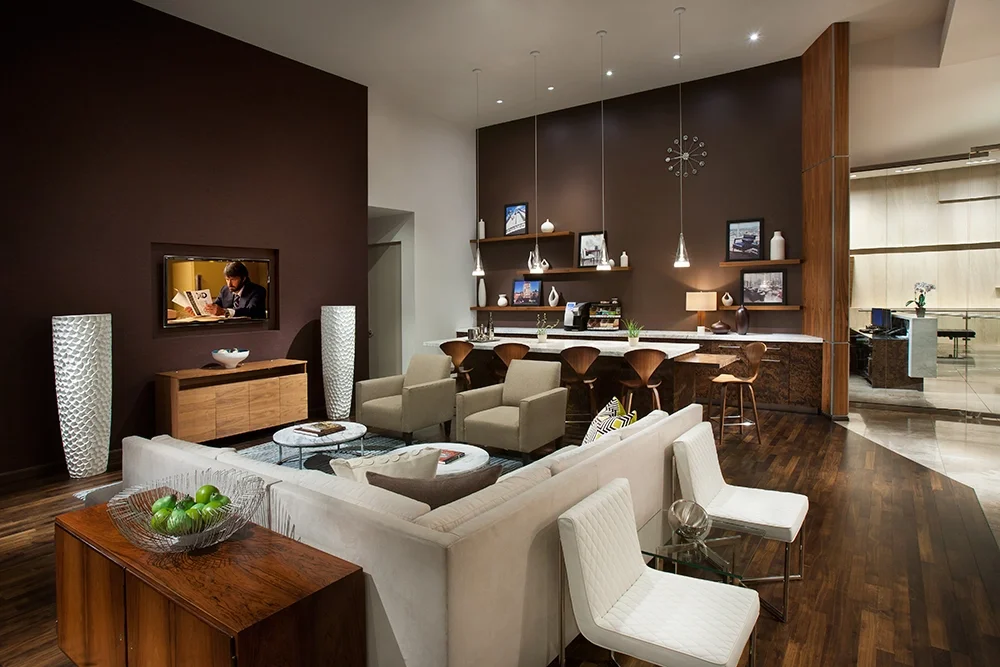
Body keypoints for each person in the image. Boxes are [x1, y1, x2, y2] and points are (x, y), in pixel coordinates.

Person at [185, 261, 267, 319]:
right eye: (227, 279)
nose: (229, 284)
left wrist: (225, 312)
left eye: (233, 279)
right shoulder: (225, 290)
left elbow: (251, 311)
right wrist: (198, 310)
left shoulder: (258, 291)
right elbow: (216, 306)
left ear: (243, 278)